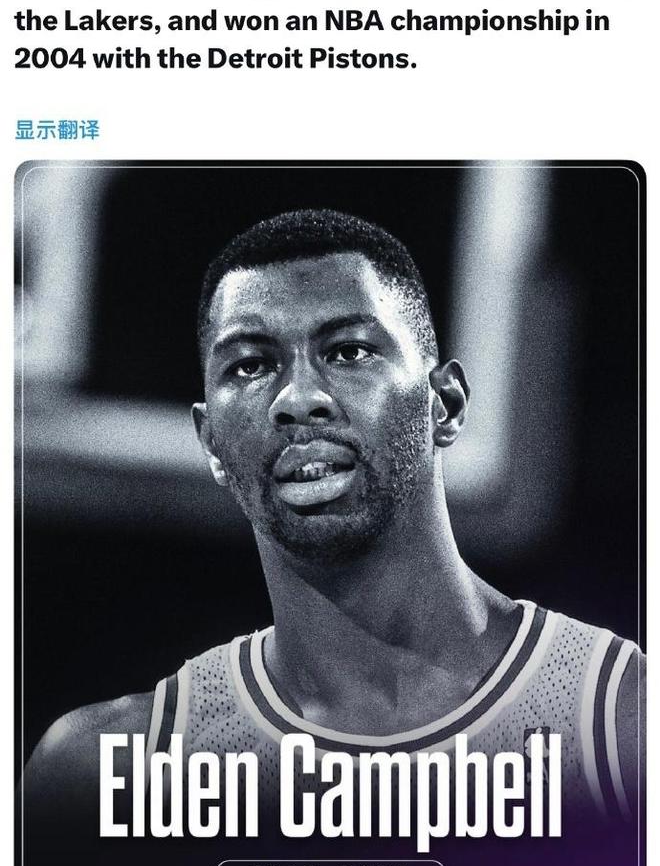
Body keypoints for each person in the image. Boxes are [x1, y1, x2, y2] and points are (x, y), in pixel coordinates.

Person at [24, 209, 644, 823]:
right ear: (211, 442)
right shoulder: (109, 775)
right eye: (250, 365)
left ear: (445, 405)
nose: (298, 399)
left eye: (349, 352)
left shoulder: (623, 722)